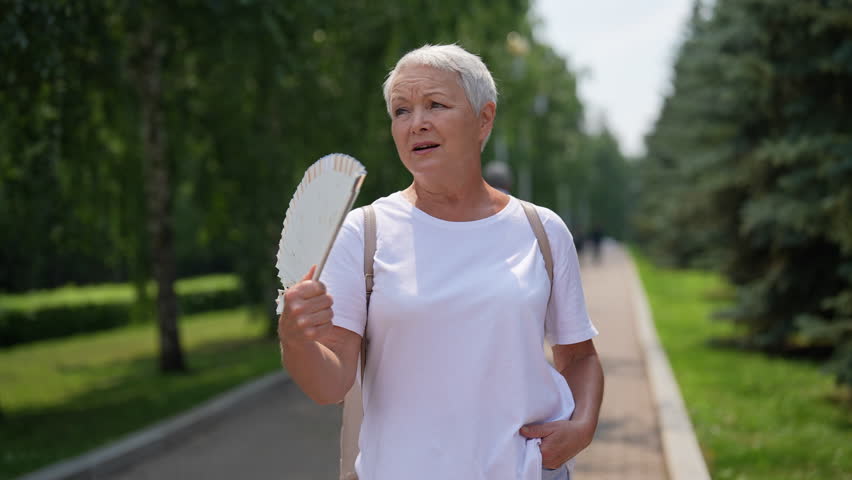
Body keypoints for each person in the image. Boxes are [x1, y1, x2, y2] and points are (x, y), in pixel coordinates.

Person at [278, 44, 603, 480]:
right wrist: (296, 341)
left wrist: (581, 426)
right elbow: (330, 384)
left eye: (435, 105)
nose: (417, 124)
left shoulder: (540, 230)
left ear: (483, 119)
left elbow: (579, 356)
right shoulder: (364, 233)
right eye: (401, 111)